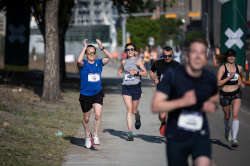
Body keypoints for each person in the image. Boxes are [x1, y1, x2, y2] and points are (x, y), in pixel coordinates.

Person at [151, 39, 219, 166]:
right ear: (187, 54)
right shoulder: (173, 75)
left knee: (203, 163)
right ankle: (163, 124)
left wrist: (212, 104)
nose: (198, 56)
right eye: (194, 52)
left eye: (202, 52)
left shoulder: (209, 78)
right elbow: (156, 106)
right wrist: (182, 101)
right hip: (176, 135)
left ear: (205, 55)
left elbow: (215, 97)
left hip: (200, 134)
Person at [77, 39, 112, 149]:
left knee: (98, 114)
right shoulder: (83, 64)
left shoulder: (99, 63)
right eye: (89, 53)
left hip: (97, 93)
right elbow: (78, 61)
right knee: (86, 118)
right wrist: (84, 48)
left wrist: (102, 47)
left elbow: (110, 57)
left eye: (93, 52)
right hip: (85, 95)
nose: (91, 55)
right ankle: (87, 136)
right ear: (86, 54)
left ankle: (95, 135)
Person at [117, 43, 148, 141]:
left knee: (134, 111)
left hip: (136, 87)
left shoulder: (138, 61)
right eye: (128, 49)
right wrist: (119, 71)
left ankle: (137, 117)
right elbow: (121, 68)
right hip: (126, 87)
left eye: (132, 49)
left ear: (135, 50)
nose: (130, 51)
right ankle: (130, 132)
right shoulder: (123, 61)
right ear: (126, 51)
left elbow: (146, 73)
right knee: (129, 109)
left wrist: (136, 72)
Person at [216, 49, 246, 148]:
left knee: (235, 115)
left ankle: (234, 139)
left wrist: (243, 82)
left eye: (233, 56)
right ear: (227, 57)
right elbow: (218, 83)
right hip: (224, 94)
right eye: (229, 56)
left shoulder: (239, 68)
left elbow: (243, 75)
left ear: (235, 57)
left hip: (236, 93)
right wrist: (229, 77)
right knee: (227, 117)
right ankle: (227, 128)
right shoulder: (222, 68)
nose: (231, 57)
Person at [149, 46, 180, 136]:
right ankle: (163, 122)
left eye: (169, 56)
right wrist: (154, 78)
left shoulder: (177, 65)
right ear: (162, 55)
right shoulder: (157, 63)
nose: (167, 58)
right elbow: (151, 71)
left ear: (172, 55)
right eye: (165, 56)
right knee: (162, 115)